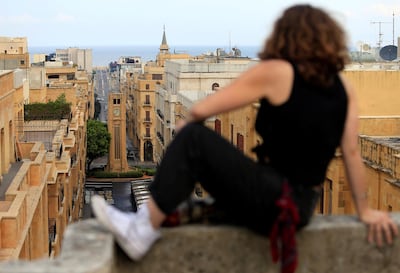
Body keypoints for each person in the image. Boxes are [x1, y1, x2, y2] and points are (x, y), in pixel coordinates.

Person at [91, 4, 398, 273]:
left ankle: (142, 228)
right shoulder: (344, 90)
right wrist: (366, 211)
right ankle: (153, 219)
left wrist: (189, 121)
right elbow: (352, 154)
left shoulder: (278, 70)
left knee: (193, 138)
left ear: (285, 36)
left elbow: (202, 109)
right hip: (301, 209)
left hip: (271, 197)